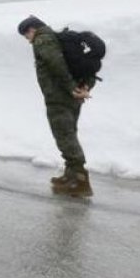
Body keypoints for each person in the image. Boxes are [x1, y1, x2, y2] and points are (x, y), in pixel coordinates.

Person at [17, 15, 95, 198]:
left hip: (60, 97)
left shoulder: (43, 40)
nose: (28, 40)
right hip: (71, 96)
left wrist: (70, 87)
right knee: (69, 133)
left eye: (26, 35)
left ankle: (80, 181)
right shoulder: (57, 38)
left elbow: (56, 64)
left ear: (31, 30)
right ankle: (70, 175)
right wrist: (81, 87)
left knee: (64, 135)